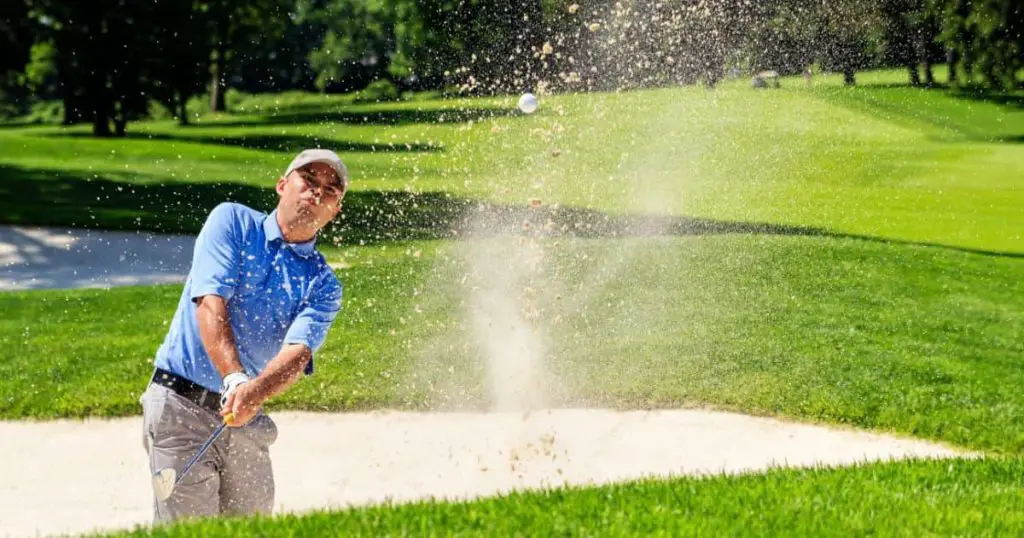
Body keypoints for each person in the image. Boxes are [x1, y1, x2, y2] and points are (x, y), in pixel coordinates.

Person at [139, 149, 348, 522]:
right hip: (180, 407)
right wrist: (235, 378)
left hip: (246, 419)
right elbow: (210, 302)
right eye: (309, 181)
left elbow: (298, 353)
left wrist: (255, 392)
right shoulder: (232, 222)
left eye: (330, 190)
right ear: (282, 185)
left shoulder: (323, 283)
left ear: (335, 211)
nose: (317, 193)